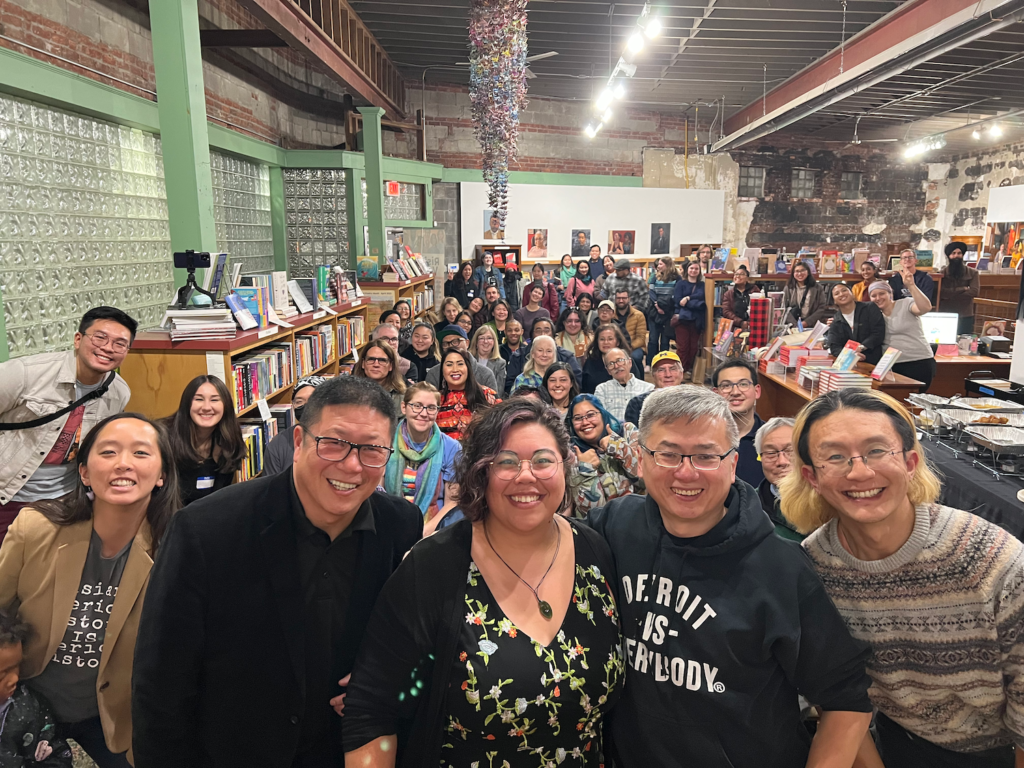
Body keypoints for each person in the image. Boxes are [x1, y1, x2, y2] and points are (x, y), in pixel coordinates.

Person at [132, 377, 422, 768]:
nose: (352, 465)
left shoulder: (400, 525)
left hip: (349, 751)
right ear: (299, 441)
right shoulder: (206, 529)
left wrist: (391, 681)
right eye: (333, 443)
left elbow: (414, 644)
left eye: (372, 449)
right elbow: (161, 681)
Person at [587, 385, 873, 767]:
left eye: (706, 456)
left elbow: (846, 701)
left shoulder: (781, 568)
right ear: (641, 459)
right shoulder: (613, 525)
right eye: (668, 454)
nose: (686, 472)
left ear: (733, 463)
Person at [343, 398, 623, 766]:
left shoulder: (595, 551)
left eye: (542, 460)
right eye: (506, 461)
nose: (527, 475)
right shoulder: (434, 567)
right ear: (480, 473)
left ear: (564, 467)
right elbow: (371, 712)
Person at [785, 388, 1024, 768]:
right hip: (893, 740)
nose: (860, 471)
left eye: (877, 451)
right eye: (835, 457)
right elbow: (837, 694)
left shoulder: (987, 560)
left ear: (911, 462)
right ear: (811, 477)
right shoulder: (814, 567)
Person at [0, 412, 180, 768]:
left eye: (141, 453)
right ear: (83, 471)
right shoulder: (35, 529)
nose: (123, 464)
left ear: (162, 475)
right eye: (109, 452)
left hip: (113, 711)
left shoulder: (178, 551)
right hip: (27, 695)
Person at [0, 306, 135, 542]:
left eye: (120, 343)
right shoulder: (25, 373)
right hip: (8, 496)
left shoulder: (119, 393)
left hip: (66, 500)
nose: (107, 348)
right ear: (78, 339)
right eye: (100, 337)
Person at [0, 610, 73, 766]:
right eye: (1, 675)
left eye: (17, 666)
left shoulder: (30, 709)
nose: (14, 678)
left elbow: (57, 757)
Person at [383, 383, 461, 530]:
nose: (424, 413)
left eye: (431, 408)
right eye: (417, 406)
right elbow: (377, 493)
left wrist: (422, 535)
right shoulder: (386, 441)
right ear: (403, 407)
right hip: (388, 525)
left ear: (437, 411)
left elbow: (451, 504)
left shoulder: (452, 448)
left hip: (433, 529)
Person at [163, 375, 246, 507]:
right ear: (187, 403)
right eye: (199, 399)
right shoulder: (164, 438)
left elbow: (220, 500)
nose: (207, 407)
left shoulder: (229, 440)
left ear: (225, 406)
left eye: (214, 400)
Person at [568, 393, 641, 517]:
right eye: (578, 418)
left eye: (590, 415)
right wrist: (587, 469)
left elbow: (644, 479)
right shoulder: (571, 456)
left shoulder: (628, 432)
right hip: (601, 529)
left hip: (639, 516)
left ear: (602, 414)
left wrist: (620, 448)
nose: (585, 422)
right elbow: (591, 513)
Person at [869, 275, 936, 390]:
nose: (878, 298)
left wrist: (911, 286)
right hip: (891, 366)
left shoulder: (905, 304)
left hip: (918, 361)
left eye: (882, 293)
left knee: (914, 403)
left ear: (890, 294)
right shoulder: (872, 315)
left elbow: (925, 308)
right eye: (873, 295)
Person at [711, 358, 765, 489]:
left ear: (757, 391)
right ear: (715, 393)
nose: (735, 392)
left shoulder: (769, 439)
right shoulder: (703, 437)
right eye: (726, 386)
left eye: (744, 384)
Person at [262, 376, 326, 477]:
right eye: (299, 402)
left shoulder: (340, 438)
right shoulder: (278, 444)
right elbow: (270, 487)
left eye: (312, 401)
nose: (306, 406)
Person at [502, 318, 583, 395]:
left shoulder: (566, 359)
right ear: (532, 354)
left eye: (549, 351)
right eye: (540, 350)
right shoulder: (522, 379)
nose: (544, 355)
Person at [752, 417, 802, 541]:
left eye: (790, 450)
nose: (781, 461)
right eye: (770, 453)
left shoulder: (829, 500)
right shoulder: (748, 507)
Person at [436, 349, 499, 441]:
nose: (455, 369)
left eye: (460, 364)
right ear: (442, 370)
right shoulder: (436, 399)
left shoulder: (487, 395)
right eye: (449, 364)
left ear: (468, 367)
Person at [827, 281, 886, 365]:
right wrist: (851, 355)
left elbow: (878, 333)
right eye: (837, 293)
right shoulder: (836, 320)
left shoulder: (869, 308)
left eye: (844, 290)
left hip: (873, 361)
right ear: (834, 301)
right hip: (849, 363)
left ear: (852, 293)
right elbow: (834, 347)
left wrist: (861, 347)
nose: (841, 294)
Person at [425, 326, 499, 392]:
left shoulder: (485, 374)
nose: (451, 346)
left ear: (467, 343)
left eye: (455, 341)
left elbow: (495, 405)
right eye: (446, 343)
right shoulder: (434, 373)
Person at [624, 350, 683, 426]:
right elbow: (632, 435)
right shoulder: (637, 404)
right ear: (653, 375)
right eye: (661, 370)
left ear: (681, 374)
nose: (668, 374)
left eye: (673, 369)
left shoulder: (694, 402)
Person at [595, 347, 654, 423]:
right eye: (611, 364)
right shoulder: (601, 390)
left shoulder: (648, 388)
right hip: (612, 433)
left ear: (630, 363)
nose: (616, 366)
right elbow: (600, 420)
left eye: (620, 361)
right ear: (608, 370)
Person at [581, 323, 641, 394]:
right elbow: (585, 389)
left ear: (617, 342)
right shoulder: (590, 362)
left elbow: (637, 386)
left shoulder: (627, 361)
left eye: (610, 339)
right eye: (602, 339)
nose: (606, 342)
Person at [939, 240, 980, 335]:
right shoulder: (942, 273)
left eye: (959, 253)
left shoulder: (973, 273)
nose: (956, 256)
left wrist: (950, 295)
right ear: (948, 256)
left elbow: (974, 292)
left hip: (965, 314)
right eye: (953, 253)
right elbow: (941, 292)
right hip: (946, 314)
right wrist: (963, 289)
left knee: (964, 343)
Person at [673, 260, 707, 377]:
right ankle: (679, 372)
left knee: (693, 347)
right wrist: (695, 303)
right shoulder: (680, 284)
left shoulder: (702, 285)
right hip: (683, 320)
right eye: (691, 268)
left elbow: (702, 298)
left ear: (699, 271)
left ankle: (688, 370)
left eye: (696, 269)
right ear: (687, 270)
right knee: (682, 347)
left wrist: (687, 298)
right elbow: (678, 301)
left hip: (696, 320)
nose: (693, 271)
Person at [354, 340, 407, 408]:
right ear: (363, 363)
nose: (376, 364)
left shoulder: (402, 397)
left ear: (391, 366)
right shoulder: (349, 394)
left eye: (382, 360)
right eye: (371, 359)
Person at [647, 257, 680, 365]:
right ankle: (650, 362)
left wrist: (665, 307)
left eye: (661, 264)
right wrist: (657, 305)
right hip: (655, 310)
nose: (658, 266)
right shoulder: (654, 276)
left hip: (668, 311)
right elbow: (651, 291)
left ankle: (664, 362)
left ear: (667, 265)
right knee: (653, 339)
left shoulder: (677, 277)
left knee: (665, 340)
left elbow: (676, 293)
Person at [783, 260, 827, 328]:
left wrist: (806, 322)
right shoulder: (788, 288)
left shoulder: (817, 288)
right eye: (797, 271)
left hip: (811, 324)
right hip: (792, 325)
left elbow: (822, 307)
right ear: (793, 274)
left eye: (802, 270)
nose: (800, 274)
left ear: (808, 272)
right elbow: (783, 307)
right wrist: (795, 324)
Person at [613, 288, 648, 372]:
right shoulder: (611, 315)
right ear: (615, 299)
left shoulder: (638, 315)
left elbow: (641, 338)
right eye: (618, 298)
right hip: (615, 346)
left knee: (634, 358)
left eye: (624, 298)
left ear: (629, 299)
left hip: (635, 347)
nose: (621, 300)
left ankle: (640, 380)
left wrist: (628, 347)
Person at [468, 324, 506, 396]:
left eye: (489, 338)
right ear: (476, 342)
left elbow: (499, 391)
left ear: (494, 342)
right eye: (482, 338)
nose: (485, 341)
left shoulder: (500, 363)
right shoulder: (468, 360)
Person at [721, 264, 756, 330]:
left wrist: (749, 323)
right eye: (736, 274)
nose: (738, 276)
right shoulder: (728, 294)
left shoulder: (755, 290)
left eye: (741, 274)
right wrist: (740, 322)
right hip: (735, 327)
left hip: (753, 326)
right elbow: (726, 311)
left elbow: (759, 309)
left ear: (747, 278)